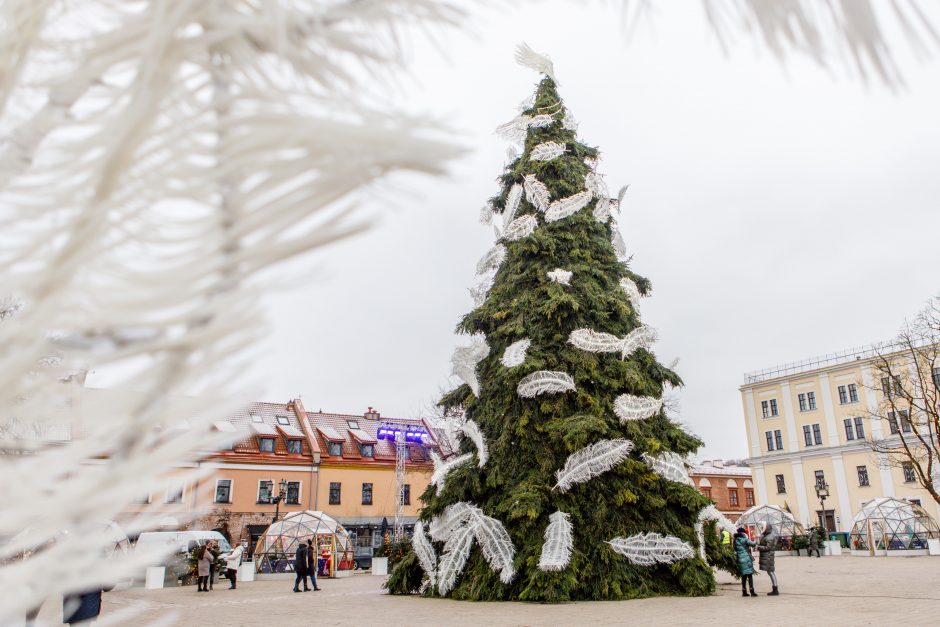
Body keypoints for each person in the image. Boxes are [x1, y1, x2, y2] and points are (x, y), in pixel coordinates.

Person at [756, 523, 779, 596]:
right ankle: (775, 589)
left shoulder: (770, 536)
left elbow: (768, 547)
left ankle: (775, 589)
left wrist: (758, 547)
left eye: (763, 527)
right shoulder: (767, 535)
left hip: (768, 556)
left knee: (771, 572)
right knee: (770, 572)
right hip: (768, 556)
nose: (762, 528)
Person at [733, 527, 757, 597]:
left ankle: (744, 591)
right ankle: (752, 591)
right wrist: (755, 540)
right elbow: (753, 544)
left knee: (743, 576)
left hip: (740, 559)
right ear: (743, 533)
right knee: (749, 575)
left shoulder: (735, 540)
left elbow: (734, 549)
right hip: (746, 559)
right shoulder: (745, 539)